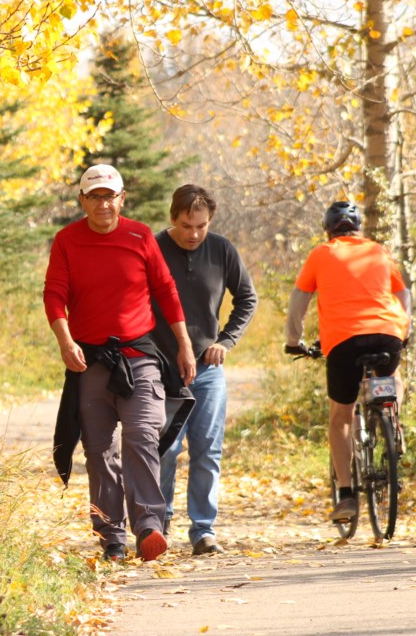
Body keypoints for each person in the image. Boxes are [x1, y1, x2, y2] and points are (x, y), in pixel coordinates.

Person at [44, 164, 197, 563]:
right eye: (94, 196)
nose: (102, 204)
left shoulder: (140, 235)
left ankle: (149, 524)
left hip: (139, 355)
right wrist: (65, 341)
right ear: (82, 201)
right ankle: (111, 535)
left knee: (143, 434)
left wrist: (184, 345)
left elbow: (166, 291)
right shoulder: (66, 241)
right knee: (98, 450)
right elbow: (54, 295)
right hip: (90, 360)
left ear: (121, 198)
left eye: (109, 196)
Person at [285, 201, 411, 522]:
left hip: (343, 341)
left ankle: (346, 495)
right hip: (387, 334)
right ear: (359, 229)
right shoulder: (378, 251)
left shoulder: (322, 253)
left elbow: (299, 301)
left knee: (341, 415)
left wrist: (293, 341)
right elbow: (403, 294)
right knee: (392, 375)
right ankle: (392, 421)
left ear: (328, 230)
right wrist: (404, 328)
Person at [151, 184, 258, 556]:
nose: (194, 234)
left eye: (201, 226)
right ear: (173, 219)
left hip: (207, 369)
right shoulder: (153, 248)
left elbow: (247, 298)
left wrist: (225, 341)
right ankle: (158, 524)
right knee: (165, 448)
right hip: (160, 367)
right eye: (186, 225)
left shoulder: (222, 249)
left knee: (207, 451)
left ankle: (203, 530)